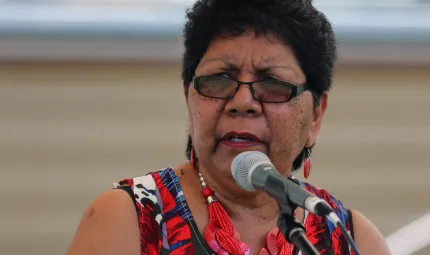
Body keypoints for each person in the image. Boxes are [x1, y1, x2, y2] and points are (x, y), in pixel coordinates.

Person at [66, 0, 390, 254]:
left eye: (272, 84)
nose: (243, 101)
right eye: (220, 79)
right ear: (189, 97)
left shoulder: (350, 238)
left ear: (316, 115)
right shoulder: (129, 221)